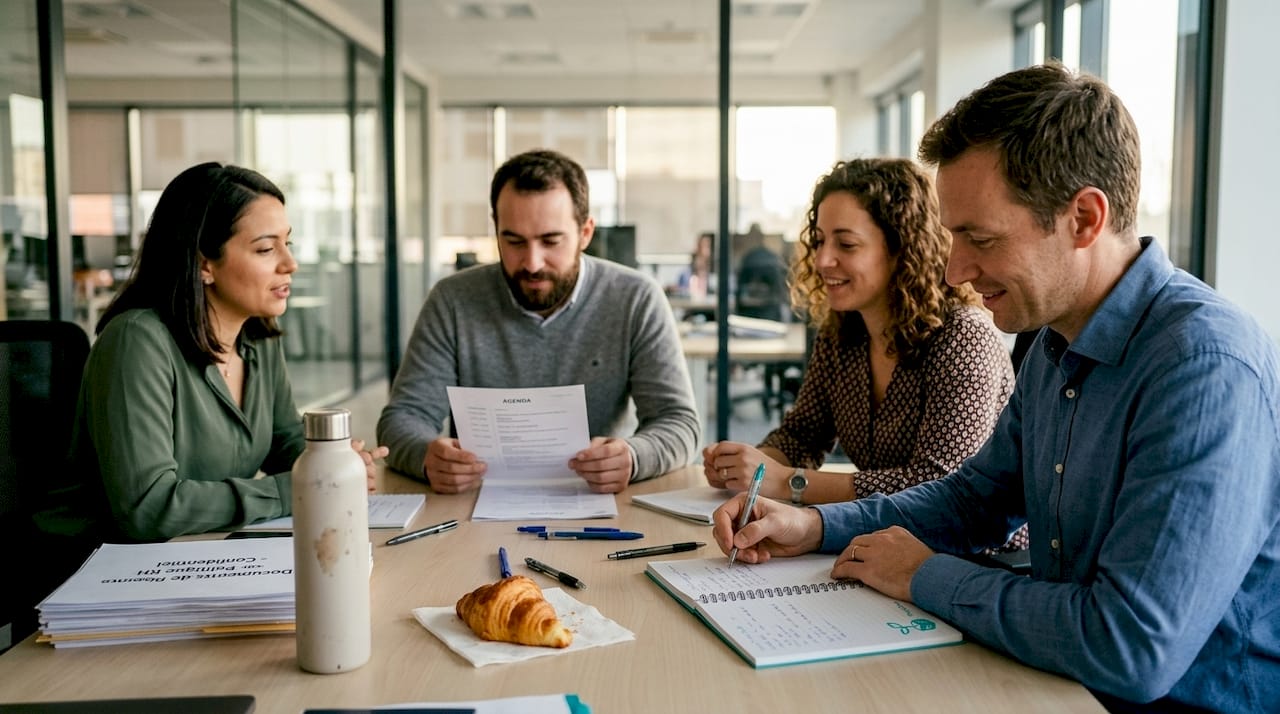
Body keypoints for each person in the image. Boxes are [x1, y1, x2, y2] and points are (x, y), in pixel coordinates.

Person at [712, 63, 1279, 712]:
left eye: (978, 238)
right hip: (1055, 679)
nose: (954, 268)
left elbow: (1129, 646)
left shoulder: (1204, 367)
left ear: (1084, 219)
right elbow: (975, 498)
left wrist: (925, 575)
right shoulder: (1052, 338)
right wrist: (813, 525)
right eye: (953, 237)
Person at [71, 162, 386, 543]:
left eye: (289, 243)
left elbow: (283, 441)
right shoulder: (136, 342)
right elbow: (147, 508)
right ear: (204, 262)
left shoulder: (256, 337)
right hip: (103, 568)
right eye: (267, 248)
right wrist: (298, 489)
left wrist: (334, 464)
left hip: (199, 553)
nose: (290, 263)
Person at [703, 159, 1016, 523]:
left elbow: (938, 485)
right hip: (881, 540)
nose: (822, 260)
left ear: (903, 249)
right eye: (819, 241)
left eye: (846, 245)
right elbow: (803, 436)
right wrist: (748, 467)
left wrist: (791, 482)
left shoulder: (963, 336)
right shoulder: (842, 333)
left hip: (980, 558)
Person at [377, 149, 700, 494]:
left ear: (585, 232)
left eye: (550, 241)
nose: (532, 263)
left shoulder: (636, 298)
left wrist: (634, 457)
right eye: (513, 241)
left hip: (599, 501)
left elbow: (679, 423)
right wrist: (427, 457)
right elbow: (402, 419)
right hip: (473, 505)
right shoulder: (452, 300)